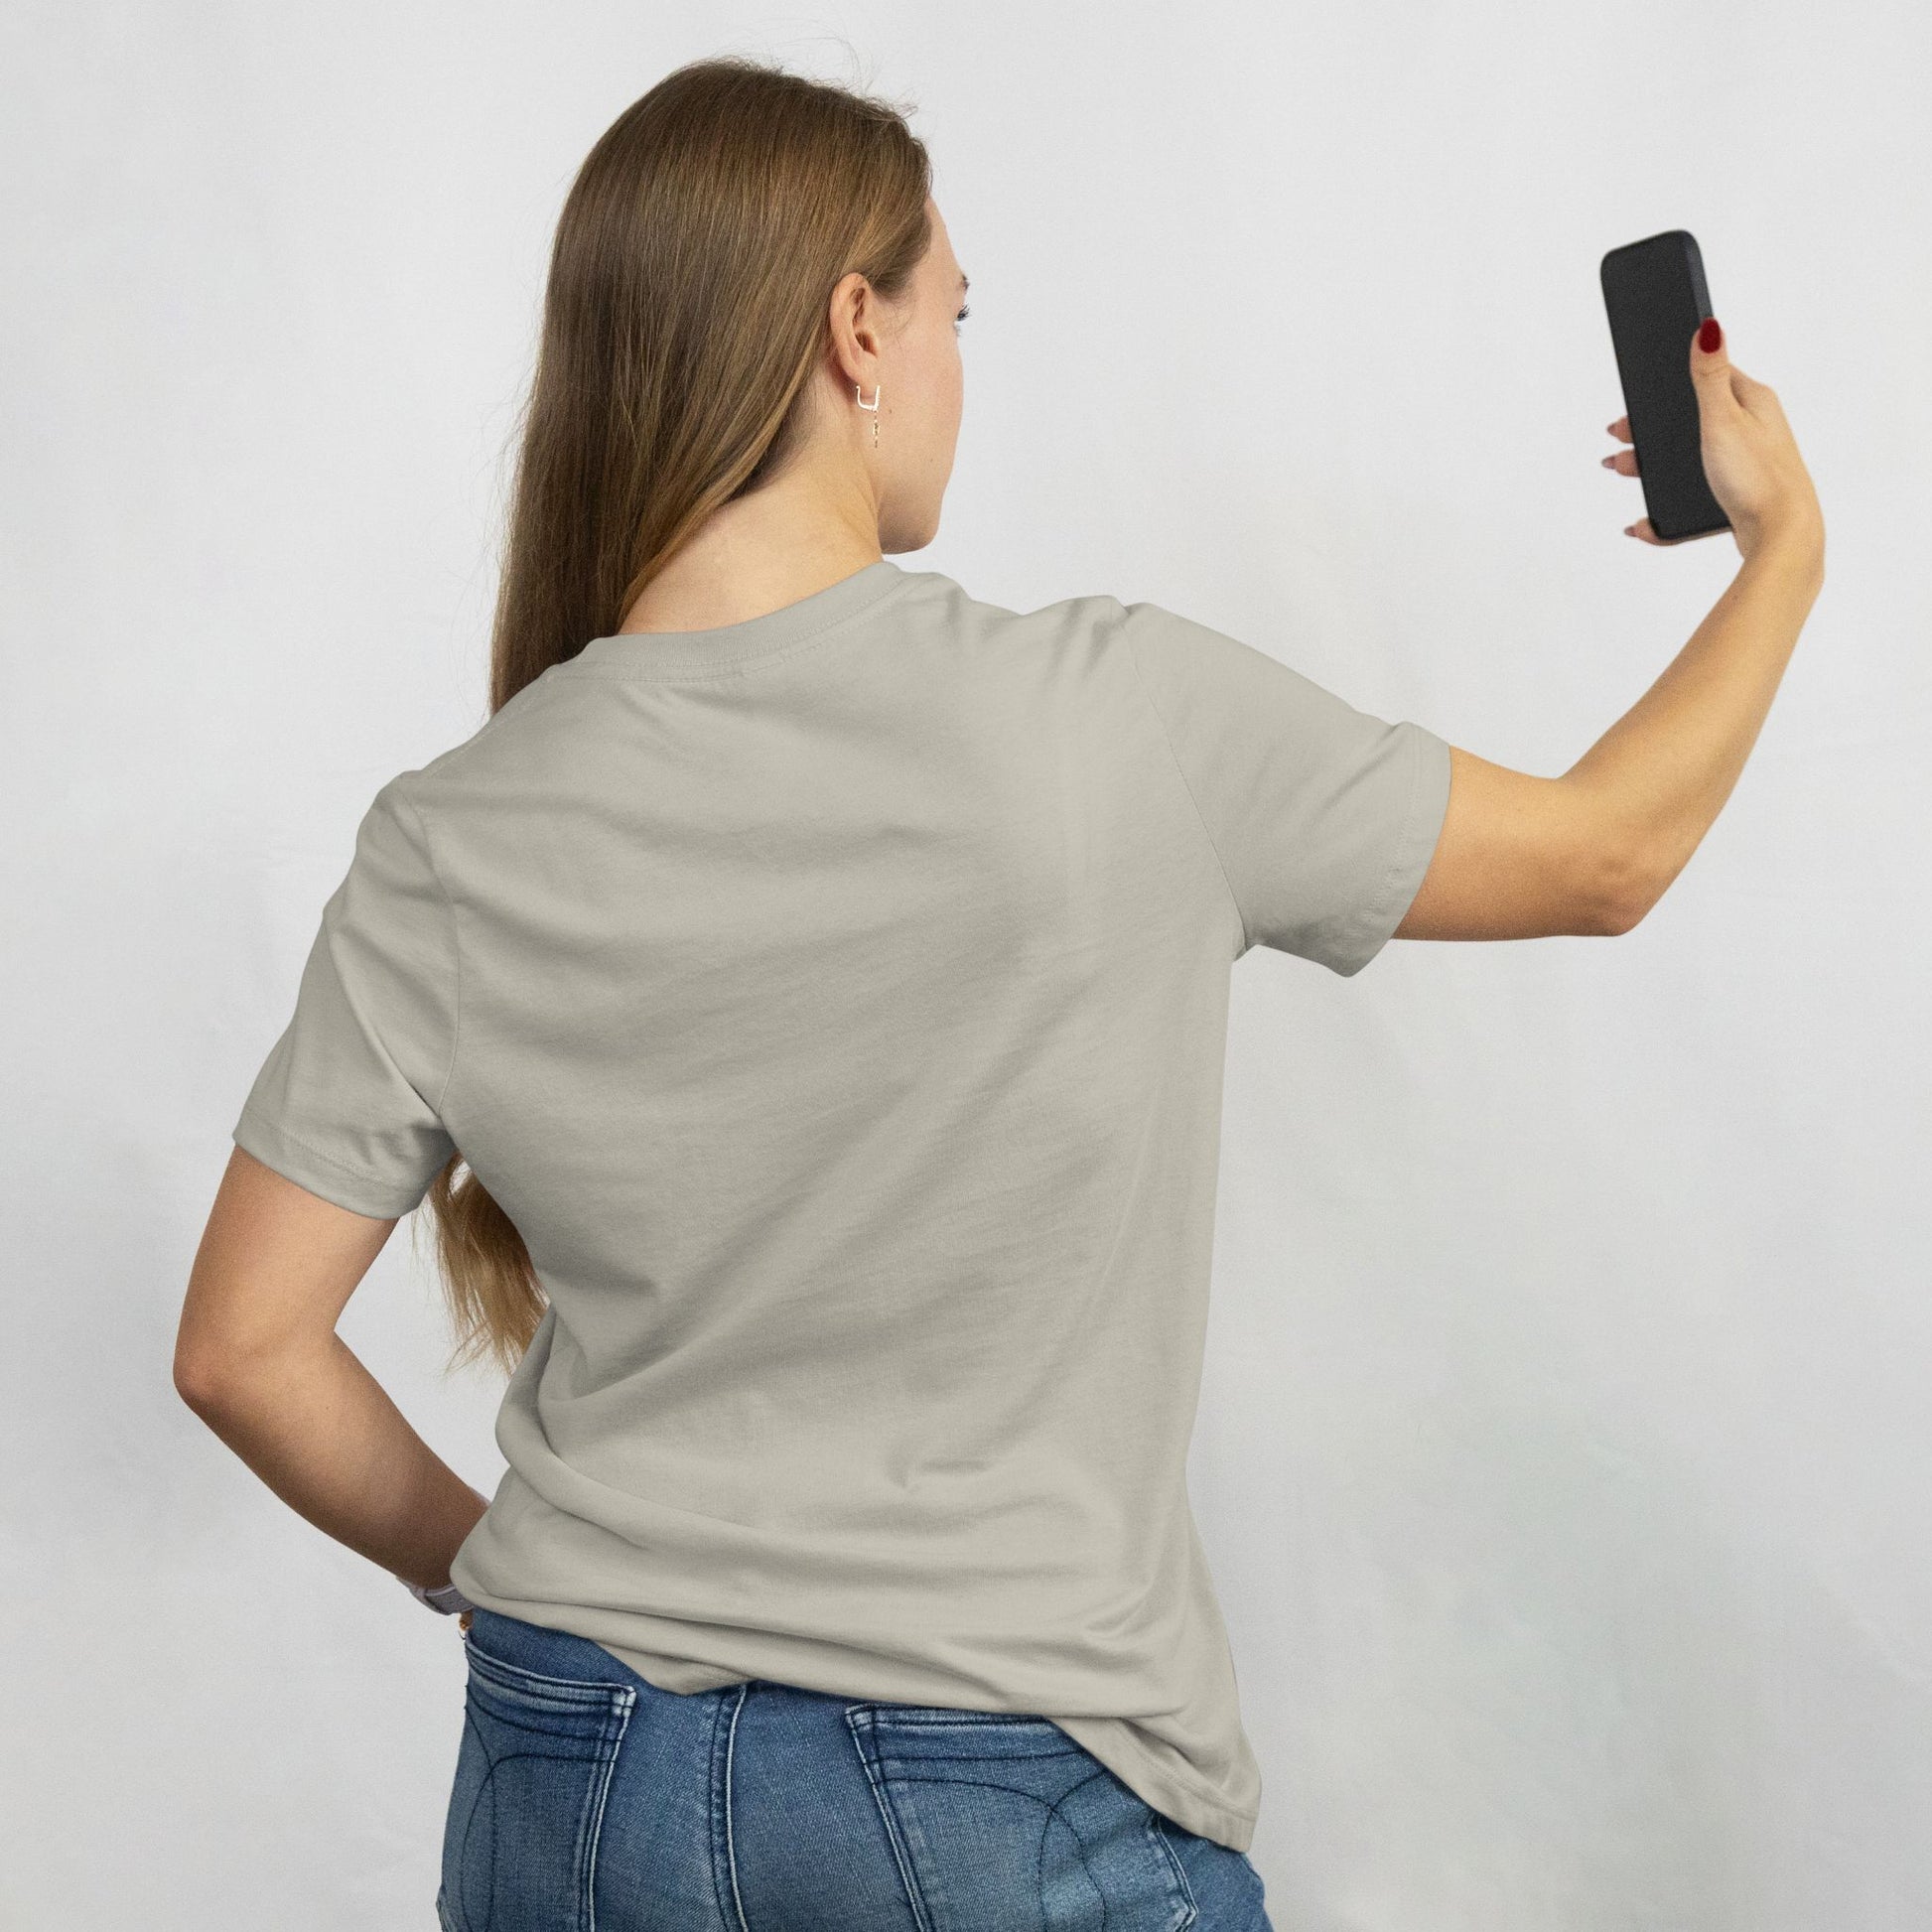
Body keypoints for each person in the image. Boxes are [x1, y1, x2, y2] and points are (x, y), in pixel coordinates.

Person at [173, 54, 1825, 1932]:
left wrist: (494, 1568)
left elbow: (242, 1348)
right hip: (991, 1787)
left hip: (569, 1774)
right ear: (852, 331)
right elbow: (1607, 854)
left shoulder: (451, 830)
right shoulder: (1114, 720)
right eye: (955, 310)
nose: (960, 359)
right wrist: (1786, 551)